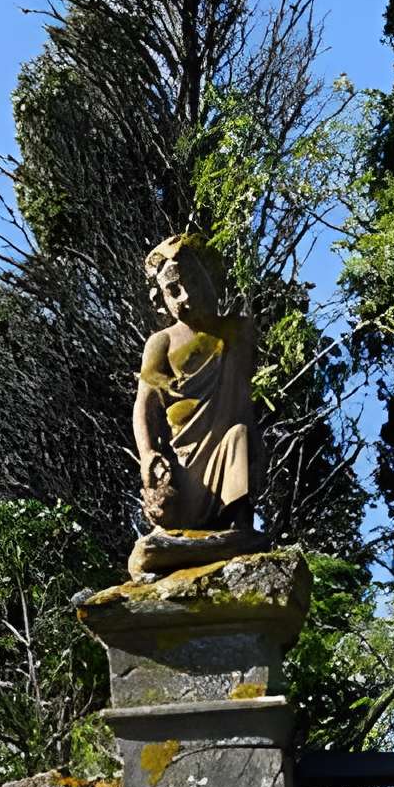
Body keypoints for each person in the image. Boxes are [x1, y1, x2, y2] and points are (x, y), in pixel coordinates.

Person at [128, 237, 264, 573]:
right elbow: (145, 408)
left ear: (210, 278)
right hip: (185, 470)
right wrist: (148, 457)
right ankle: (180, 539)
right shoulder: (161, 343)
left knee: (239, 436)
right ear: (162, 300)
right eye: (174, 290)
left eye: (193, 282)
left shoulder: (239, 333)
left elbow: (248, 398)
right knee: (149, 551)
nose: (186, 296)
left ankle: (237, 525)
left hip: (228, 454)